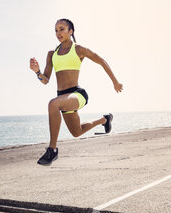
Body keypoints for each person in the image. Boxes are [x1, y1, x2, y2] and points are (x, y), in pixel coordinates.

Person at [30, 18, 123, 166]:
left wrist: (115, 81)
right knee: (77, 132)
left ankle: (52, 150)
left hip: (77, 95)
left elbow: (101, 61)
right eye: (55, 30)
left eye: (61, 29)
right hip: (63, 98)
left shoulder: (78, 49)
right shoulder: (51, 54)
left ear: (70, 31)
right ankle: (104, 120)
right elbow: (45, 80)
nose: (58, 32)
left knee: (53, 104)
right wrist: (37, 72)